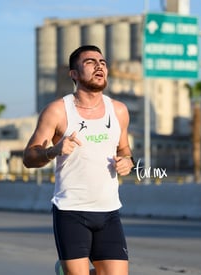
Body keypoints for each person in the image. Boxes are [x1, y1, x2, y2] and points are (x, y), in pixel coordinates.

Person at [23, 45, 134, 275]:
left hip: (109, 210)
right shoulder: (57, 111)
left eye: (102, 62)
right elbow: (28, 157)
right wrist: (53, 151)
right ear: (73, 74)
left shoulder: (119, 111)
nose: (99, 66)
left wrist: (127, 162)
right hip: (71, 211)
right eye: (90, 62)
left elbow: (124, 149)